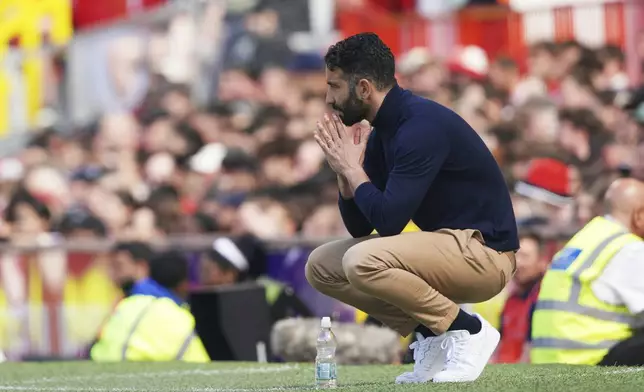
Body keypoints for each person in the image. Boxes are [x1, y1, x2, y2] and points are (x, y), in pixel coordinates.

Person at [306, 32, 518, 384]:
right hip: (447, 249)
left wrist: (353, 170)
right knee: (322, 266)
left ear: (363, 88)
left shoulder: (420, 126)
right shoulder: (385, 128)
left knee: (361, 261)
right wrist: (345, 175)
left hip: (486, 256)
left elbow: (389, 222)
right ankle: (431, 334)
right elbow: (361, 227)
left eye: (334, 86)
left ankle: (469, 330)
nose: (329, 99)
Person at [531, 178, 644, 366]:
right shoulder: (629, 248)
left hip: (553, 359)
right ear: (639, 216)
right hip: (590, 358)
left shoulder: (587, 238)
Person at [91, 250, 210, 362]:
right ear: (183, 283)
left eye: (118, 266)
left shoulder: (127, 303)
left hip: (99, 363)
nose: (112, 274)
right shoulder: (180, 315)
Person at [200, 237, 312, 323]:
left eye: (207, 271)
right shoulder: (212, 301)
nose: (203, 278)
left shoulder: (268, 295)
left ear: (230, 274)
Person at [495, 232, 548, 363]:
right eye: (516, 256)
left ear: (542, 261)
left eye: (525, 256)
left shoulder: (543, 299)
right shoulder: (511, 300)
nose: (518, 263)